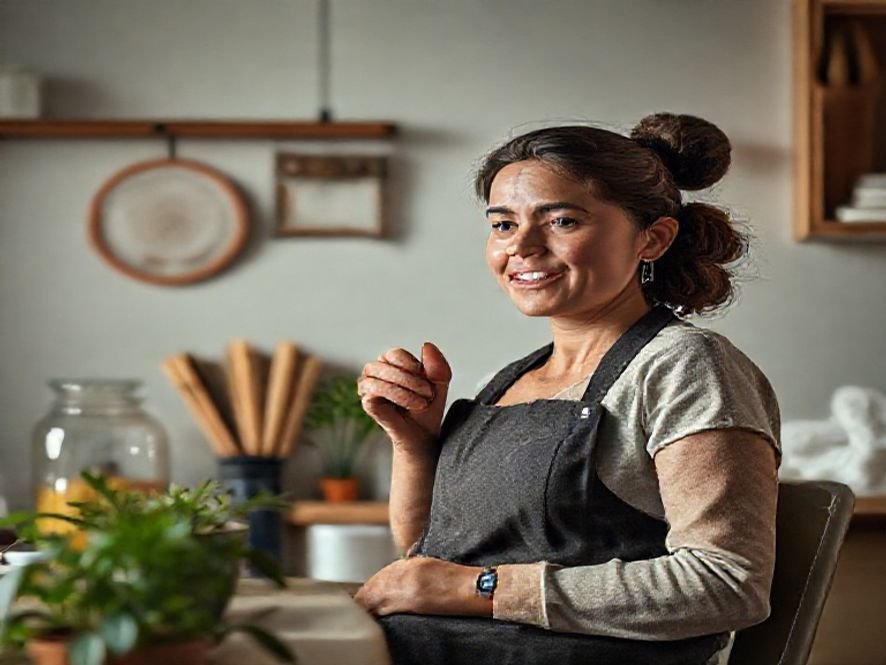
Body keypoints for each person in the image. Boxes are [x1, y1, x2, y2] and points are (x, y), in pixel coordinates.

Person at [354, 113, 781, 665]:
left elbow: (726, 584)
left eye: (561, 221)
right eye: (503, 224)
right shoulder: (505, 382)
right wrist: (414, 443)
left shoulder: (685, 366)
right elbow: (428, 560)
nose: (522, 246)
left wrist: (480, 589)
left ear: (652, 239)